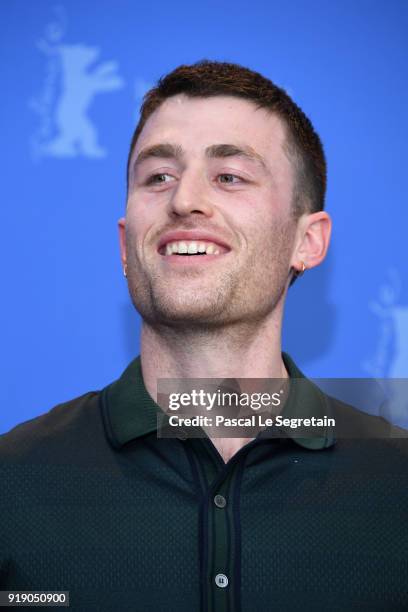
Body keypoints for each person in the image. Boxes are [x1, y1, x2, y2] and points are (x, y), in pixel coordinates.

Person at [1, 61, 407, 611]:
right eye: (158, 176)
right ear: (126, 245)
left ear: (307, 241)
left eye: (230, 176)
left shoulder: (397, 484)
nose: (184, 199)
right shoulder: (13, 484)